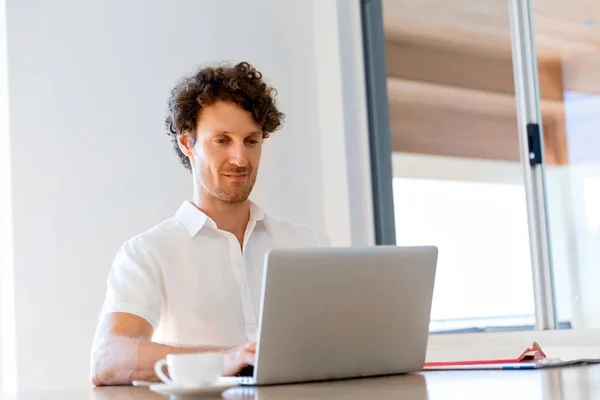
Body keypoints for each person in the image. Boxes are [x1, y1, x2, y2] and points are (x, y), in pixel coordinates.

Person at [90, 61, 328, 386]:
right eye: (221, 140)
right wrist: (225, 359)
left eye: (251, 141)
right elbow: (107, 357)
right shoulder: (148, 252)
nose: (240, 159)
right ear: (188, 143)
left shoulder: (307, 244)